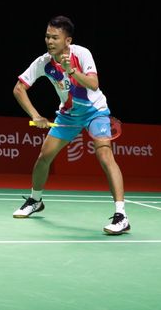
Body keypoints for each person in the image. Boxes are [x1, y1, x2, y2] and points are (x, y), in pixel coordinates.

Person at [12, 15, 130, 235]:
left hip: (95, 111)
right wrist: (35, 115)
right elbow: (19, 89)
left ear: (67, 40)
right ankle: (35, 200)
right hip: (68, 115)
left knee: (104, 155)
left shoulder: (81, 54)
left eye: (55, 37)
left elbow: (94, 84)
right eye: (47, 36)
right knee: (44, 156)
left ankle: (121, 216)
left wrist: (72, 70)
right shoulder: (43, 62)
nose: (49, 41)